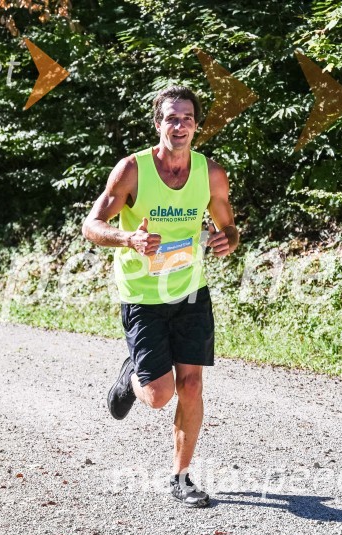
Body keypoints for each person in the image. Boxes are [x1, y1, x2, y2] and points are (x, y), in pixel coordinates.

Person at [81, 85, 239, 508]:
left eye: (187, 118)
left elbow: (229, 226)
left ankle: (181, 477)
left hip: (190, 292)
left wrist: (228, 241)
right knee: (159, 396)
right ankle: (134, 375)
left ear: (196, 126)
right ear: (158, 124)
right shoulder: (132, 170)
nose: (180, 125)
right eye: (172, 117)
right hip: (143, 295)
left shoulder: (211, 174)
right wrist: (128, 238)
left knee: (190, 385)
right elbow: (91, 225)